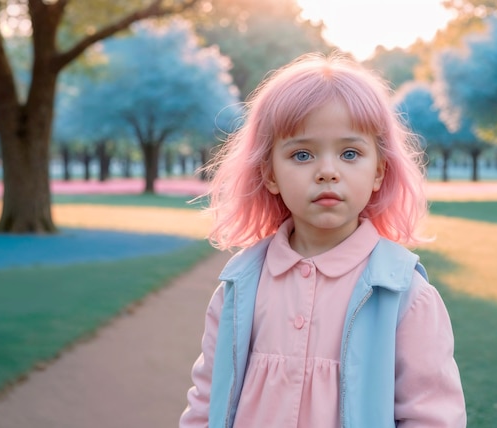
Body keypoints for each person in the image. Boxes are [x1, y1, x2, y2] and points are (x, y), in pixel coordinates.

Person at [179, 52, 466, 428]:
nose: (327, 171)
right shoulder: (242, 285)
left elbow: (433, 416)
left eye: (350, 153)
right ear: (270, 174)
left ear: (379, 171)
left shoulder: (404, 294)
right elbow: (206, 403)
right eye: (302, 154)